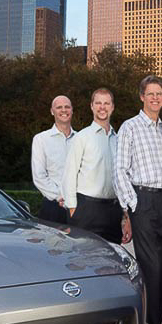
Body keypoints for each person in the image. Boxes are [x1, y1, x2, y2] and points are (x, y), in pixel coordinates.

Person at [114, 75, 162, 324]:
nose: (155, 98)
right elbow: (120, 171)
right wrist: (133, 206)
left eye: (159, 94)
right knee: (151, 273)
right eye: (150, 94)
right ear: (141, 97)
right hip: (144, 202)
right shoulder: (130, 127)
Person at [62, 89, 129, 244]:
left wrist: (125, 213)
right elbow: (69, 174)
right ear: (91, 106)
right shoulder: (81, 137)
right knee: (82, 261)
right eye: (98, 103)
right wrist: (72, 208)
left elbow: (124, 176)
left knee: (112, 261)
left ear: (113, 107)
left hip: (113, 210)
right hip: (86, 210)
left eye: (106, 103)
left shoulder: (118, 140)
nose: (102, 107)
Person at [31, 95, 75, 224]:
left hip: (79, 207)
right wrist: (59, 196)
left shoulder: (81, 139)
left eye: (67, 107)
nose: (63, 110)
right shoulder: (41, 139)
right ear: (52, 111)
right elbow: (39, 176)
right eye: (59, 107)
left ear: (72, 110)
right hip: (54, 207)